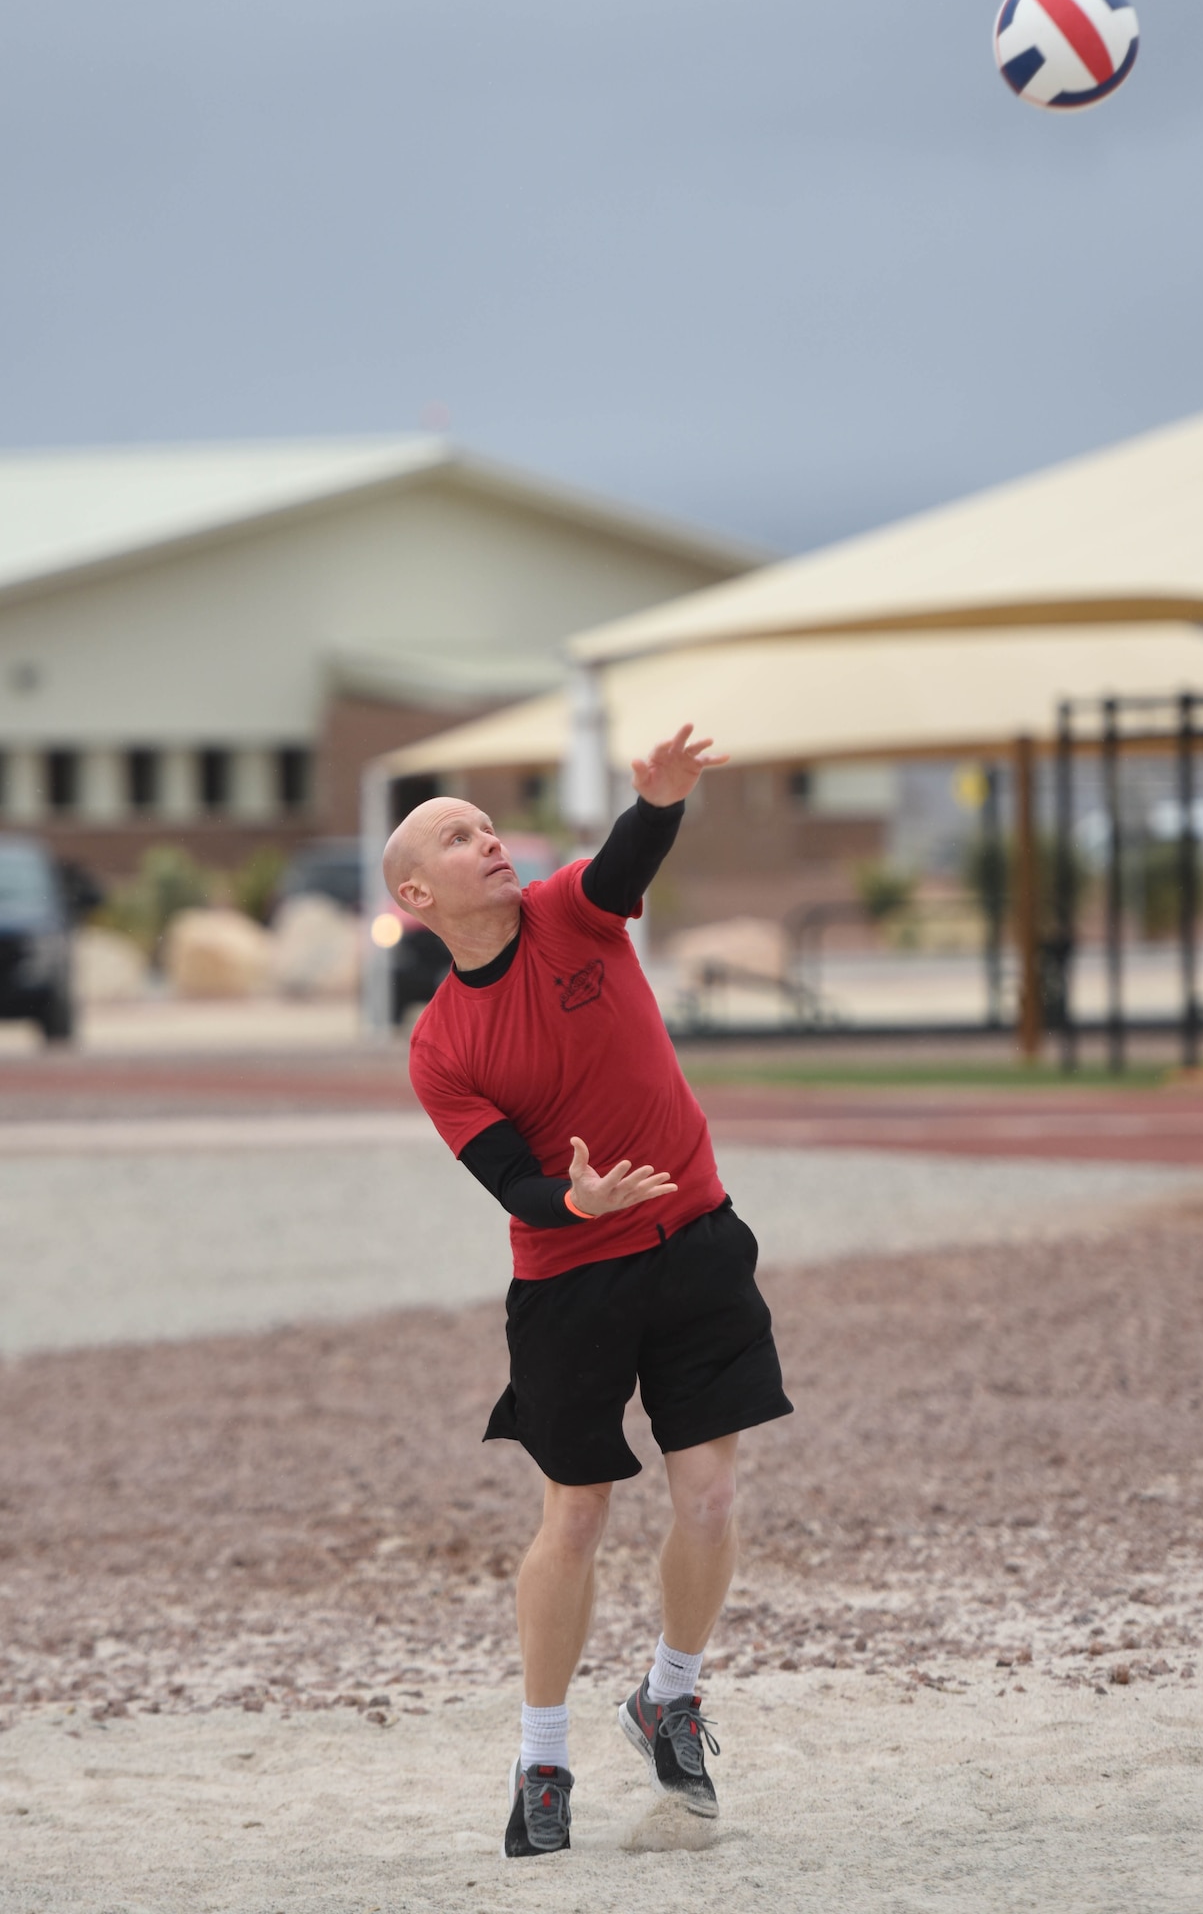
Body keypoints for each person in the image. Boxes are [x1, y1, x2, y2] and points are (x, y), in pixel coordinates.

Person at [383, 723, 793, 1858]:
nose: (490, 838)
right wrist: (577, 1203)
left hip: (698, 1237)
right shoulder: (439, 1046)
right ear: (419, 892)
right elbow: (510, 1178)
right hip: (569, 1281)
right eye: (461, 835)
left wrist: (659, 802)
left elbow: (621, 864)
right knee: (578, 1511)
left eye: (489, 822)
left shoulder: (572, 910)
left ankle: (671, 1694)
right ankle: (543, 1756)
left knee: (708, 1496)